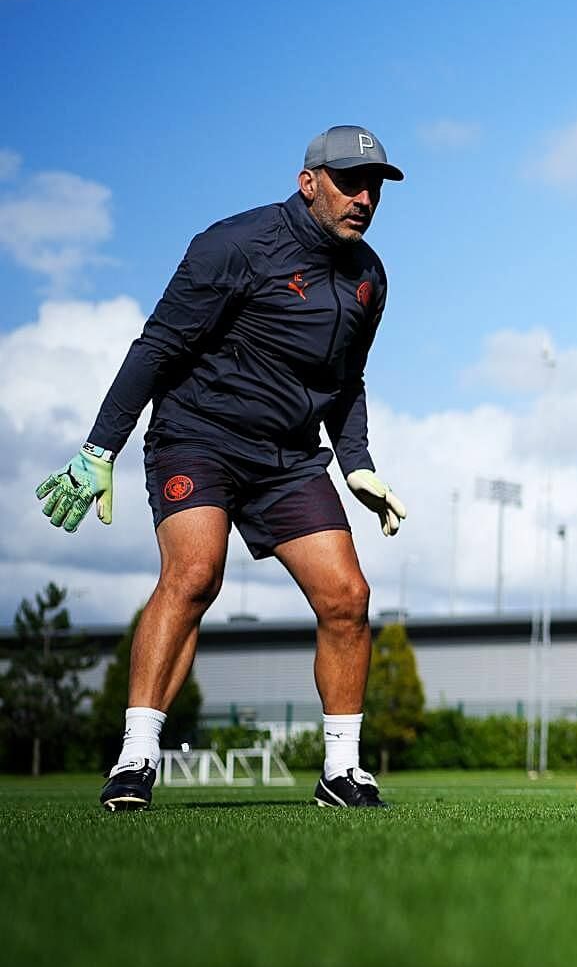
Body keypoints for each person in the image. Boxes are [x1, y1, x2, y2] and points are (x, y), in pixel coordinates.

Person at [35, 126, 410, 811]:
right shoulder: (234, 244)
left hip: (290, 459)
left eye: (375, 186)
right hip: (198, 436)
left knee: (347, 597)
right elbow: (157, 346)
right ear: (309, 182)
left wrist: (357, 464)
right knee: (195, 573)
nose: (364, 197)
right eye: (350, 182)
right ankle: (136, 759)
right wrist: (100, 449)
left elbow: (347, 383)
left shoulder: (370, 278)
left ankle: (342, 772)